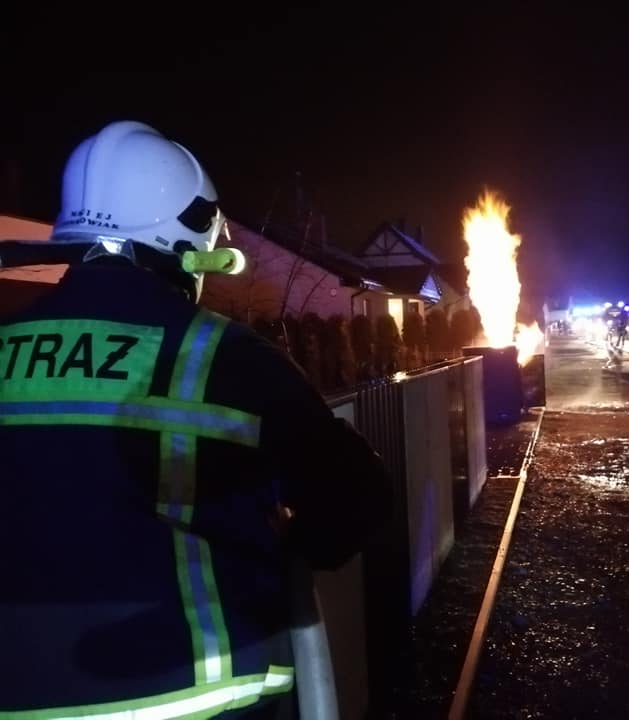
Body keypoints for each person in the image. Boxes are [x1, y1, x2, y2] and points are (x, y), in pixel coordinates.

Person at [0, 121, 393, 717]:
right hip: (196, 700)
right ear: (188, 240)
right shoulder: (226, 358)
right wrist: (290, 547)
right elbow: (358, 500)